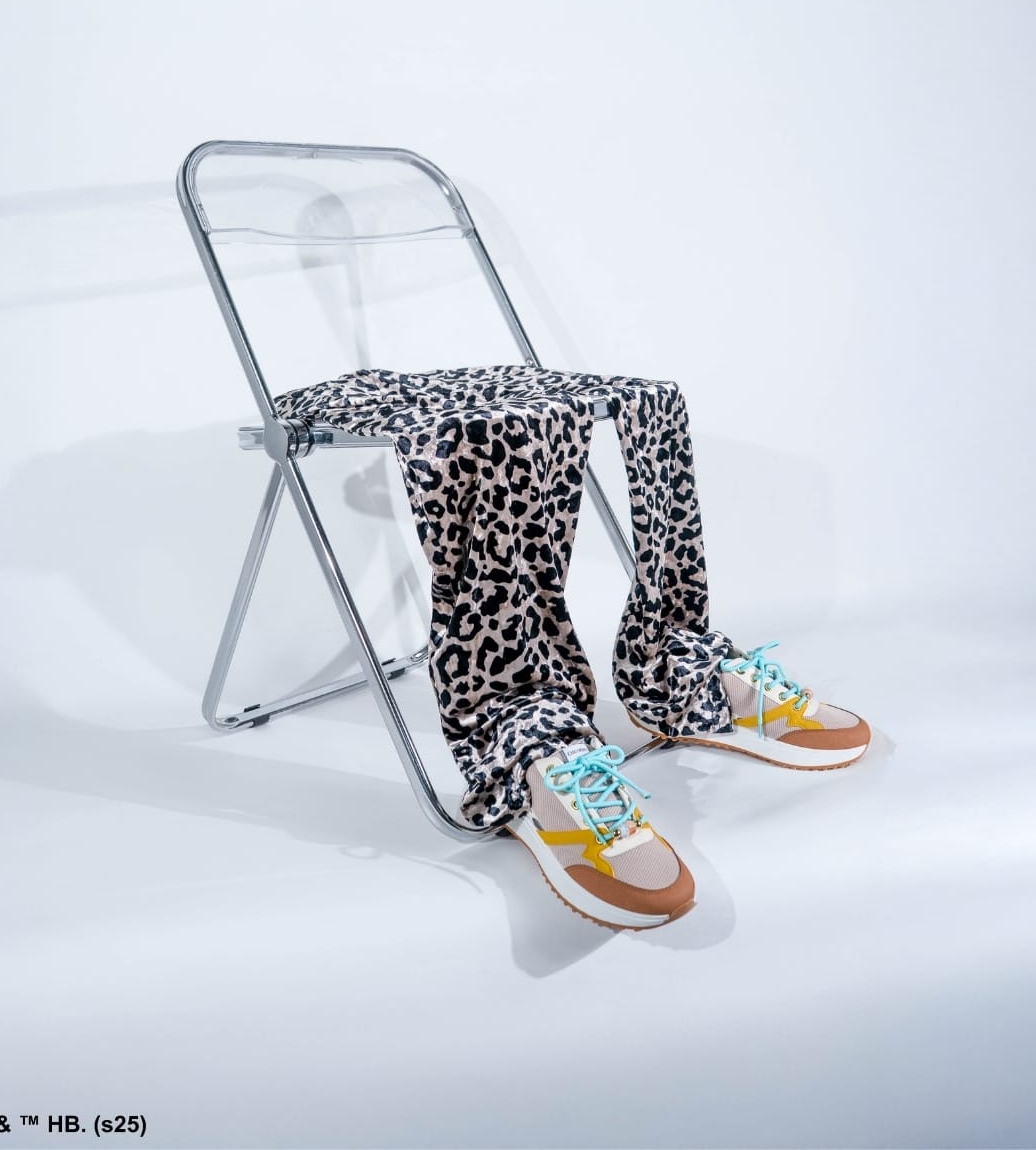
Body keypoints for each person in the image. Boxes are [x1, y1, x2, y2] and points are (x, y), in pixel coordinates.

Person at [276, 363, 871, 930]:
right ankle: (525, 740)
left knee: (655, 398)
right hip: (404, 399)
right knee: (488, 430)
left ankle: (678, 665)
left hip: (500, 388)